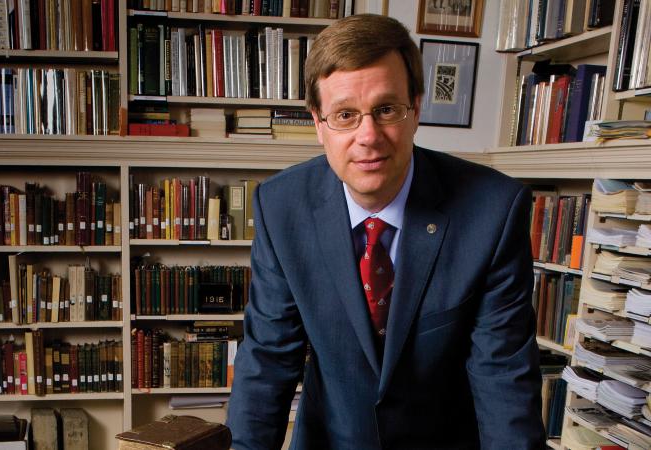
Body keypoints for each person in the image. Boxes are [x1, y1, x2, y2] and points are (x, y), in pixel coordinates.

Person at [226, 14, 545, 450]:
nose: (368, 136)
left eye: (386, 109)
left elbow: (503, 377)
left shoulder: (492, 211)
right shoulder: (281, 208)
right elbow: (267, 362)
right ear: (318, 123)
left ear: (416, 108)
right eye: (345, 115)